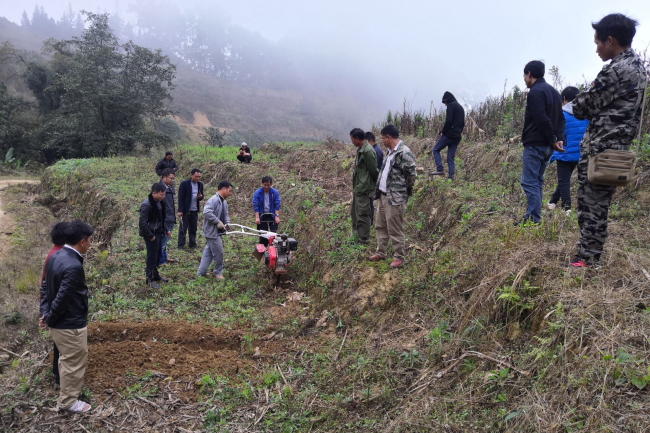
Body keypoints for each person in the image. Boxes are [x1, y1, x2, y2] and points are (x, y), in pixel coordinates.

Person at [569, 13, 646, 268]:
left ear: (610, 40)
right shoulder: (637, 67)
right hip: (617, 149)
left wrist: (580, 97)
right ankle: (588, 254)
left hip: (601, 151)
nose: (596, 49)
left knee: (592, 205)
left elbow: (582, 106)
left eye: (598, 43)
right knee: (598, 204)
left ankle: (587, 259)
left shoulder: (616, 70)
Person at [39, 220, 94, 413]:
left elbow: (45, 287)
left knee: (66, 359)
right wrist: (50, 317)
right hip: (69, 324)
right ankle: (68, 401)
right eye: (90, 240)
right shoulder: (73, 266)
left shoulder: (56, 255)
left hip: (60, 322)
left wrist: (45, 312)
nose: (90, 244)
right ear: (82, 242)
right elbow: (63, 298)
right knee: (74, 361)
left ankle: (68, 391)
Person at [515, 60, 565, 226]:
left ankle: (533, 218)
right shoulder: (554, 92)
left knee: (529, 182)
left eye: (524, 75)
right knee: (537, 181)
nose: (524, 79)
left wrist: (553, 139)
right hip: (547, 147)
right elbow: (561, 118)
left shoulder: (535, 92)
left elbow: (541, 118)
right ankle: (533, 217)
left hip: (536, 144)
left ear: (529, 74)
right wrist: (558, 139)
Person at [368, 125, 416, 268]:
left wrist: (402, 191)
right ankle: (381, 252)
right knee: (380, 225)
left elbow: (411, 176)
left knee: (394, 228)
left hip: (395, 198)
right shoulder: (390, 152)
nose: (382, 141)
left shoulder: (404, 153)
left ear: (388, 137)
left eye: (383, 138)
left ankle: (399, 256)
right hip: (383, 196)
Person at [547, 87, 589, 214]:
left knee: (564, 181)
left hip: (564, 152)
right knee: (564, 179)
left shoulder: (561, 114)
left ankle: (567, 208)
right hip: (580, 153)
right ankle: (553, 201)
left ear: (564, 98)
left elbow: (556, 133)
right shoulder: (585, 114)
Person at [39, 222, 69, 387]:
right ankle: (59, 377)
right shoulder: (58, 256)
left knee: (59, 344)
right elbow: (45, 285)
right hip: (57, 307)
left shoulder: (55, 253)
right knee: (61, 345)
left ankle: (57, 373)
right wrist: (46, 312)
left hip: (53, 305)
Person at [198, 181, 232, 280]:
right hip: (211, 231)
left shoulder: (224, 202)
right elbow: (206, 212)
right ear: (223, 189)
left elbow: (225, 215)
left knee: (208, 252)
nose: (230, 193)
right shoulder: (213, 200)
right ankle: (218, 272)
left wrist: (227, 224)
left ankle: (201, 272)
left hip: (218, 231)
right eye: (229, 191)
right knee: (219, 252)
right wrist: (217, 221)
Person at [139, 182, 171, 289]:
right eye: (161, 194)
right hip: (151, 233)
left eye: (164, 194)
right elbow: (142, 223)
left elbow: (161, 219)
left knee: (158, 255)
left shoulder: (160, 202)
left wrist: (166, 229)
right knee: (152, 257)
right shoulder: (146, 205)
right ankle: (150, 279)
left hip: (159, 232)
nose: (163, 196)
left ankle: (156, 275)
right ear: (154, 193)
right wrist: (150, 235)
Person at [350, 128, 378, 244]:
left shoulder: (368, 151)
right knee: (355, 213)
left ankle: (364, 240)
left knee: (363, 214)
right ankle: (356, 236)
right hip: (358, 188)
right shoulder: (360, 150)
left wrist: (370, 186)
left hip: (364, 188)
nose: (351, 141)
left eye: (352, 139)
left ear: (357, 138)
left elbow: (374, 171)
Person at [431, 91, 465, 179]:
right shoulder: (460, 107)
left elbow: (448, 121)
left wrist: (443, 132)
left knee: (435, 150)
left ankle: (440, 169)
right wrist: (458, 132)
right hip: (457, 136)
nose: (445, 104)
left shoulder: (451, 105)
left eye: (445, 102)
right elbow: (462, 123)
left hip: (449, 135)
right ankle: (451, 177)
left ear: (447, 100)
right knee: (450, 158)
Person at [177, 169, 204, 250]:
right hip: (186, 210)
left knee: (193, 228)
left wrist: (200, 197)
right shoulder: (184, 184)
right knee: (183, 228)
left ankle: (192, 244)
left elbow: (202, 196)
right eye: (196, 176)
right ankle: (181, 245)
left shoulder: (200, 184)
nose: (197, 178)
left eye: (199, 177)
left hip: (194, 210)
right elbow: (181, 197)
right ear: (191, 175)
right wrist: (180, 210)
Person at [252, 176, 281, 246]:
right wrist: (257, 217)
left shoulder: (274, 192)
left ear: (271, 184)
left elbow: (277, 204)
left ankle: (272, 250)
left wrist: (276, 216)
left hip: (272, 215)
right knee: (263, 236)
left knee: (273, 236)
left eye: (268, 185)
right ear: (262, 184)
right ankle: (262, 251)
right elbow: (256, 205)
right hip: (262, 215)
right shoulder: (258, 193)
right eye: (265, 185)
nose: (266, 187)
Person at [159, 168, 176, 265]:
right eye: (171, 178)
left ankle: (164, 257)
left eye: (173, 178)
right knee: (163, 241)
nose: (172, 180)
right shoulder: (160, 189)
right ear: (164, 177)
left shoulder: (168, 188)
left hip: (170, 217)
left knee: (165, 241)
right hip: (165, 219)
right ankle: (160, 261)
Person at [366, 131, 383, 226]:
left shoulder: (375, 151)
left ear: (370, 141)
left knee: (369, 202)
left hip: (372, 181)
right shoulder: (376, 149)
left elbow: (373, 168)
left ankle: (370, 222)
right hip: (373, 180)